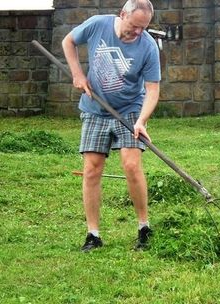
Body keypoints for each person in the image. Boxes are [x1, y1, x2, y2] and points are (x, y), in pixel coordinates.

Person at [61, 0, 160, 252]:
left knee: (131, 164)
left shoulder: (147, 46)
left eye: (143, 27)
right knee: (92, 169)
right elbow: (68, 41)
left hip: (130, 110)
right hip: (95, 109)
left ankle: (143, 228)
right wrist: (77, 74)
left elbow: (152, 90)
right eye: (135, 26)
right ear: (122, 14)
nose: (138, 32)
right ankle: (93, 234)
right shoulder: (98, 25)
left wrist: (141, 120)